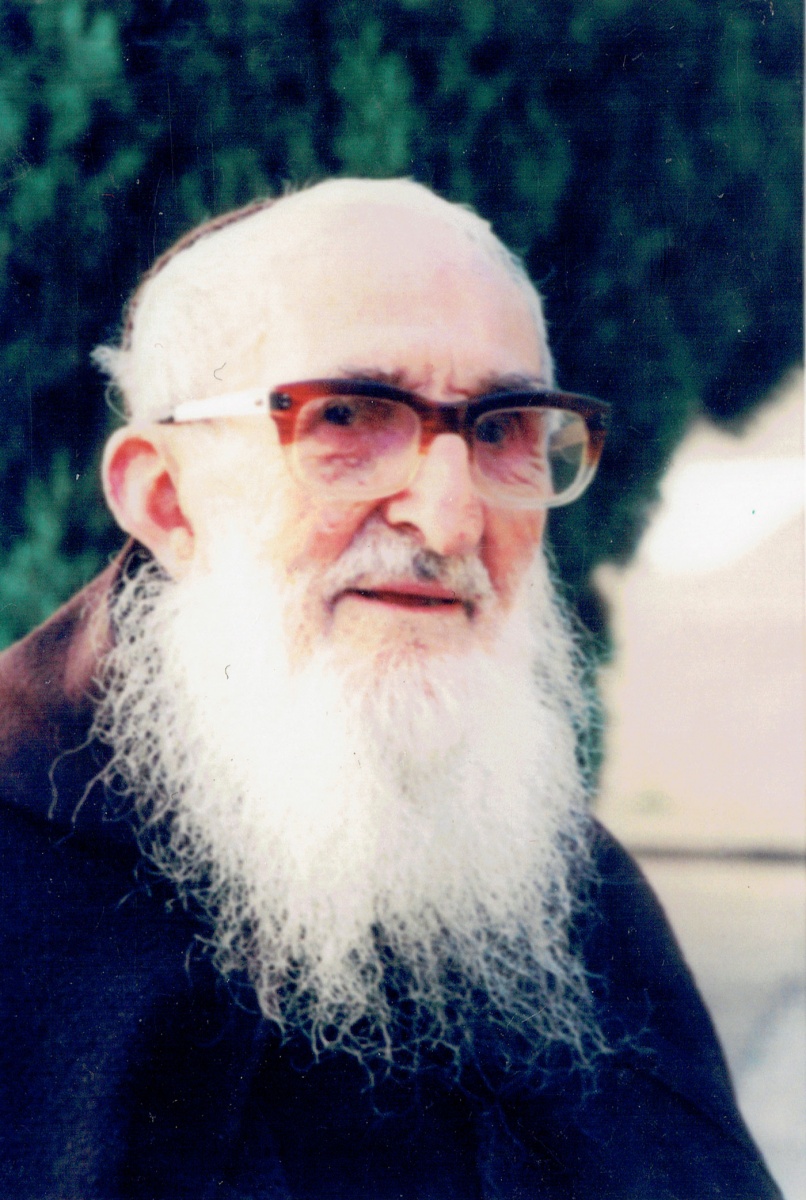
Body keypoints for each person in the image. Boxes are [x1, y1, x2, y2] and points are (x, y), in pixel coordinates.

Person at [0, 178, 780, 1199]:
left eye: (501, 430)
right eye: (347, 417)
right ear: (166, 499)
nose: (449, 519)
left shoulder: (564, 884)